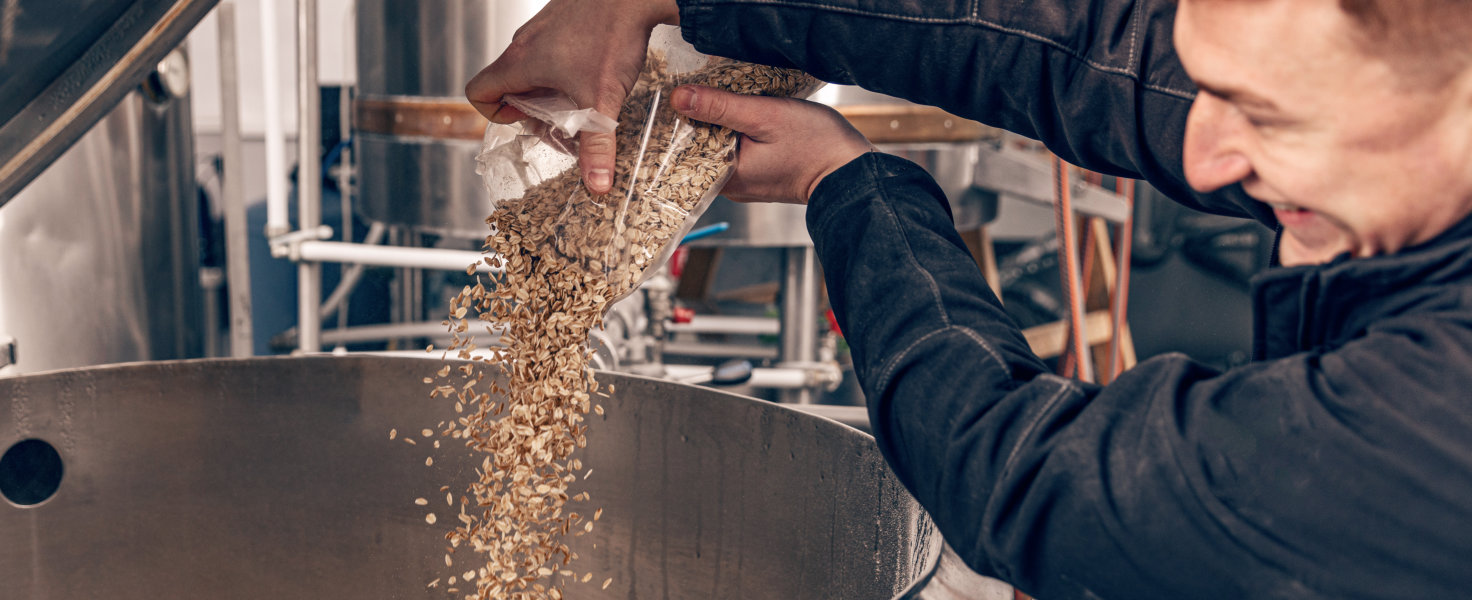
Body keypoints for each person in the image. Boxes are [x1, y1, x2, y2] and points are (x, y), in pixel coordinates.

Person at [466, 0, 1472, 598]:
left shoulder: (1439, 418)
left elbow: (1034, 477)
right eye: (1217, 87)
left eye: (1268, 116)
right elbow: (1097, 58)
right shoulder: (1406, 126)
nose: (1203, 163)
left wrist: (847, 186)